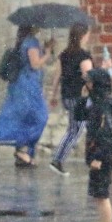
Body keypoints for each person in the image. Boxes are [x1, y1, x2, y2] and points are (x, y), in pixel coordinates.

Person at [0, 25, 54, 167]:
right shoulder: (31, 42)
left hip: (21, 86)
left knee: (26, 118)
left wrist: (44, 49)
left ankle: (25, 155)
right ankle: (22, 149)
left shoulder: (23, 41)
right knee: (40, 117)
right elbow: (35, 64)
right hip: (28, 87)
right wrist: (48, 53)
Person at [76, 68, 112, 222]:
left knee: (102, 196)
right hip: (99, 156)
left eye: (91, 82)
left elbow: (106, 134)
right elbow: (78, 116)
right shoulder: (96, 103)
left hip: (102, 157)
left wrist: (99, 157)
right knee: (100, 195)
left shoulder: (104, 106)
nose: (88, 85)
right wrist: (83, 96)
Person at [48, 23, 96, 176]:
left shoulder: (64, 54)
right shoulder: (84, 56)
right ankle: (58, 159)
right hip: (79, 97)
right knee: (77, 130)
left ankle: (92, 157)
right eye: (87, 34)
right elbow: (89, 78)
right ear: (82, 36)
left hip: (67, 97)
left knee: (76, 128)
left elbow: (57, 77)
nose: (89, 37)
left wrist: (53, 95)